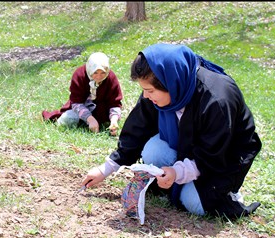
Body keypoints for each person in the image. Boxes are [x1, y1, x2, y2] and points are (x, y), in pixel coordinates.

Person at [81, 43, 262, 219]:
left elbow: (213, 154)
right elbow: (137, 131)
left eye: (149, 90)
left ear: (170, 83)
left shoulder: (217, 99)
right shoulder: (161, 89)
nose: (145, 96)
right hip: (187, 149)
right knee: (153, 150)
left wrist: (177, 172)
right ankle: (176, 182)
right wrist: (105, 169)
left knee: (195, 204)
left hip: (222, 158)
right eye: (144, 90)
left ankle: (227, 193)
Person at [42, 52, 123, 136]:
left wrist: (114, 120)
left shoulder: (111, 78)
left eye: (102, 73)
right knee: (68, 119)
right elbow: (76, 103)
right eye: (95, 73)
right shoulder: (79, 75)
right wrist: (89, 119)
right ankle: (83, 123)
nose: (99, 77)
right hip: (82, 108)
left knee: (110, 119)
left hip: (101, 110)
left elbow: (115, 103)